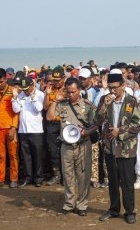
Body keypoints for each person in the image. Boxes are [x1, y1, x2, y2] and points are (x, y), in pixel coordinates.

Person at [47, 77, 97, 216]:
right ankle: (69, 203)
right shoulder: (62, 104)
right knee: (68, 176)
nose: (70, 95)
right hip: (66, 146)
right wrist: (55, 101)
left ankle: (82, 205)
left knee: (83, 176)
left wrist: (86, 132)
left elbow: (96, 124)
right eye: (68, 92)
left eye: (73, 91)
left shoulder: (87, 105)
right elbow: (50, 117)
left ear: (79, 90)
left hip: (82, 145)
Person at [97, 73, 140, 224]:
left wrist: (120, 131)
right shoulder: (105, 100)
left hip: (126, 148)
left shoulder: (131, 101)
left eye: (115, 88)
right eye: (110, 88)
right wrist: (104, 105)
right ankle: (114, 209)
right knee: (113, 180)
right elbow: (97, 119)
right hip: (110, 147)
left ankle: (130, 211)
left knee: (127, 181)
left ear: (122, 86)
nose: (113, 91)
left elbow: (138, 124)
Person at [0, 68, 19, 189]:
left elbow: (16, 111)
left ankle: (14, 179)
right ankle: (0, 179)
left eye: (1, 81)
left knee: (13, 154)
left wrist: (13, 127)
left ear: (6, 79)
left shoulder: (13, 91)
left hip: (10, 127)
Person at [12, 77, 45, 187]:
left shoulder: (40, 94)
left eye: (28, 88)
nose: (26, 91)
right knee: (26, 156)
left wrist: (33, 97)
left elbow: (39, 109)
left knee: (37, 155)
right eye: (24, 89)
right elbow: (16, 110)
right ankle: (28, 178)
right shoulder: (20, 95)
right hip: (23, 130)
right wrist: (15, 97)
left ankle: (39, 178)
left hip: (36, 130)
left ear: (32, 86)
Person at [43, 66, 65, 186]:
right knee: (52, 150)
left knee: (65, 150)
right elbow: (45, 107)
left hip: (64, 123)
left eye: (58, 80)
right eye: (54, 80)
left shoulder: (69, 89)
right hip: (52, 123)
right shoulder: (50, 89)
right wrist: (47, 95)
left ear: (64, 78)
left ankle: (66, 175)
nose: (55, 82)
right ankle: (57, 174)